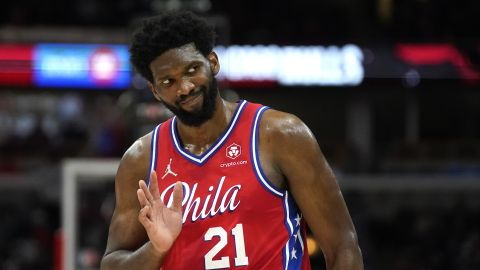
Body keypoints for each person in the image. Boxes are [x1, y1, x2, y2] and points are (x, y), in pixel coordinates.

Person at [101, 10, 363, 270]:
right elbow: (112, 263)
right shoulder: (140, 160)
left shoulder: (280, 135)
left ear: (213, 62)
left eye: (192, 70)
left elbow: (343, 246)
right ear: (155, 91)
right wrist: (156, 248)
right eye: (168, 81)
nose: (185, 87)